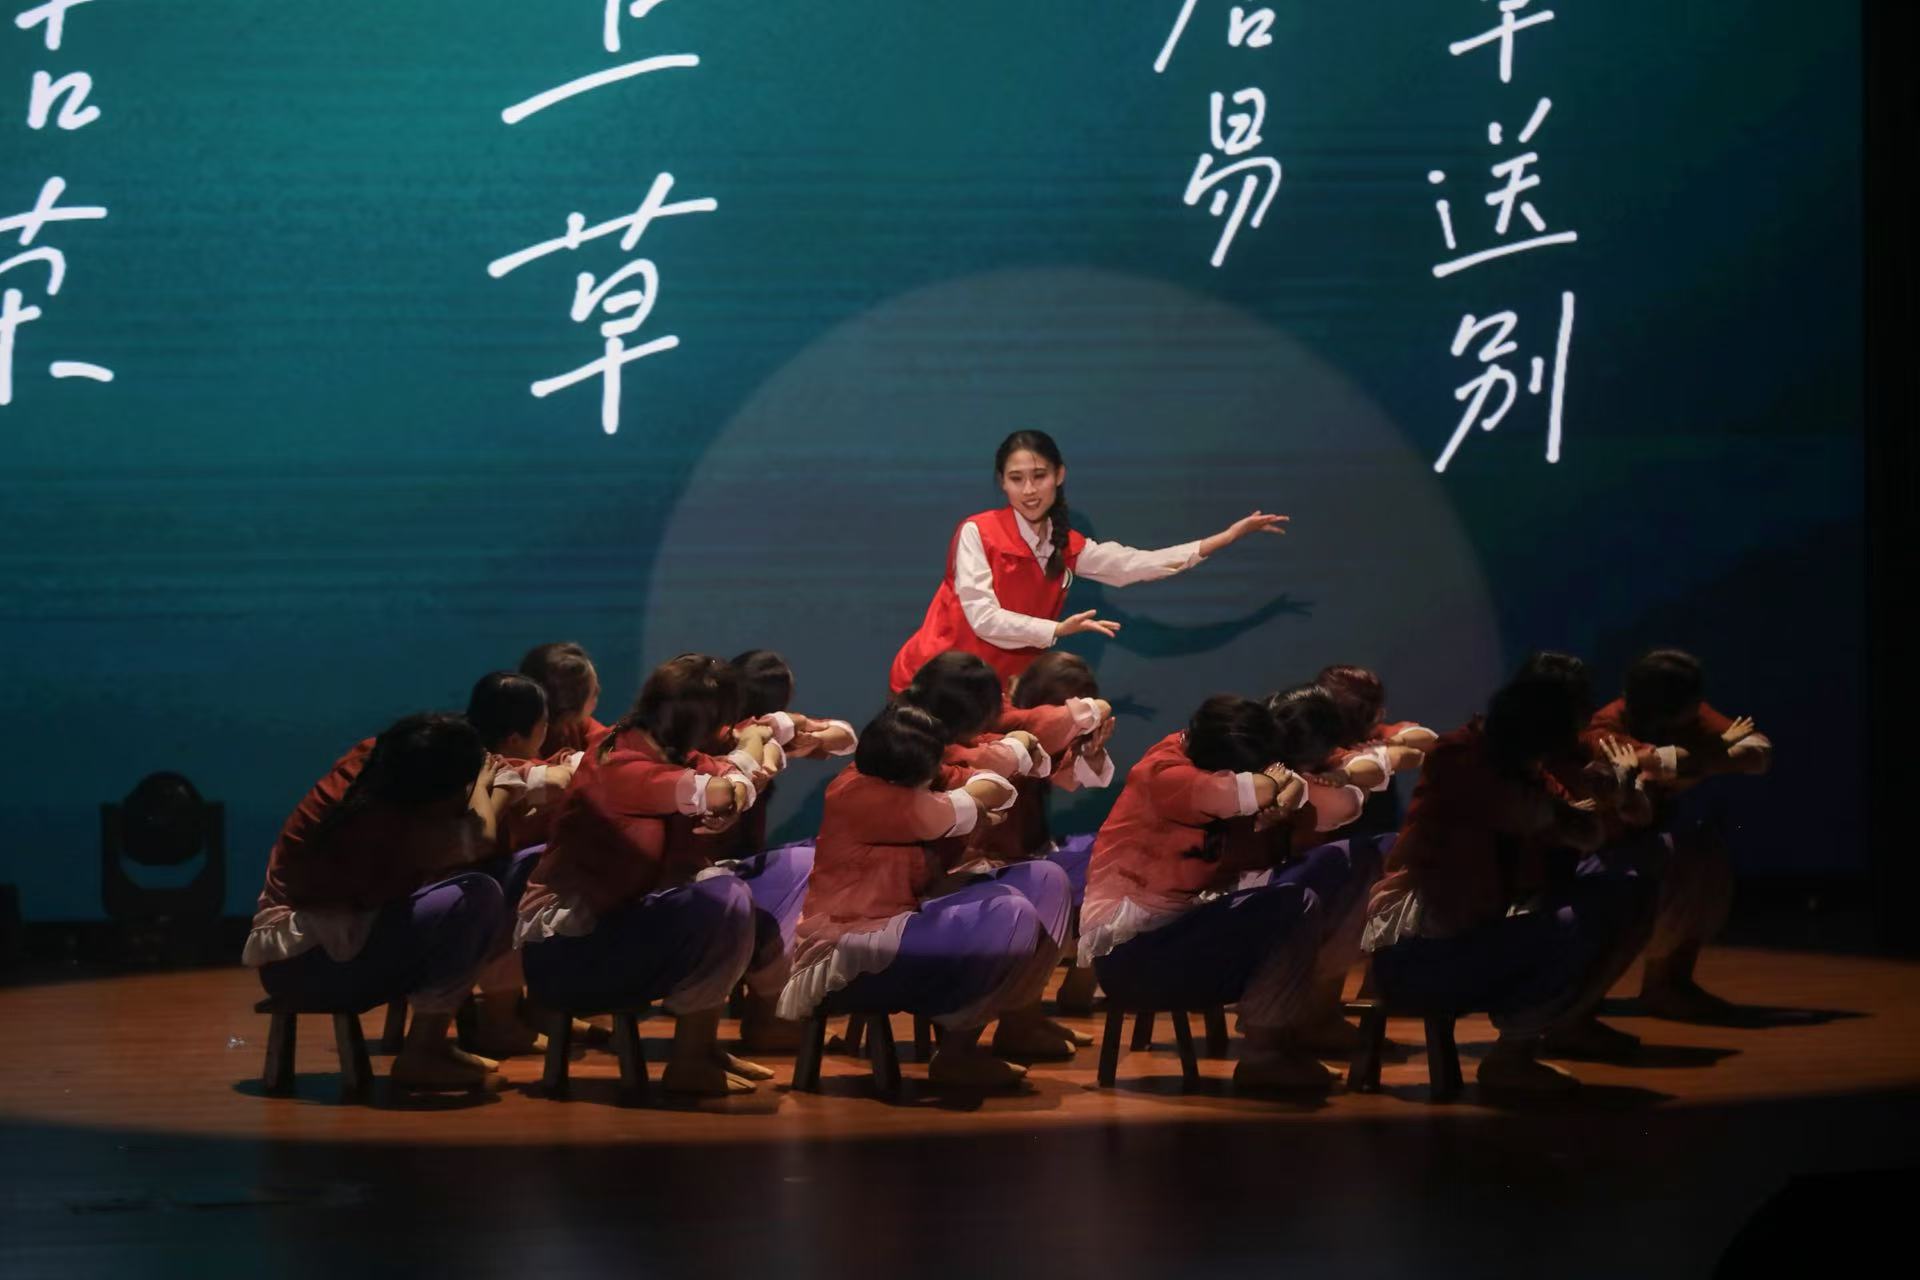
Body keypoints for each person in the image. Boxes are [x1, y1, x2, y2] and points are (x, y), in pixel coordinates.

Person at [778, 703, 1072, 1088]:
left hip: (910, 917)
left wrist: (973, 800)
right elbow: (953, 808)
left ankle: (983, 1037)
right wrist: (973, 802)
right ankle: (958, 1052)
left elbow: (996, 788)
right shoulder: (858, 794)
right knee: (1009, 911)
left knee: (1044, 879)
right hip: (856, 946)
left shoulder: (922, 777)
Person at [887, 429, 1289, 691]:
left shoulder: (1066, 545)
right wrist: (1057, 629)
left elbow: (1137, 565)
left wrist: (1226, 538)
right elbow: (983, 618)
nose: (1029, 490)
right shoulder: (977, 532)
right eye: (1016, 479)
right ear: (1001, 483)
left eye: (1039, 475)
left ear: (1059, 475)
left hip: (992, 693)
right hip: (932, 683)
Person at [1080, 695, 1343, 1090]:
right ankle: (1264, 1056)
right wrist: (1278, 785)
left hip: (1171, 931)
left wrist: (1282, 787)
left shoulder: (1186, 743)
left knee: (1300, 888)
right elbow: (1260, 787)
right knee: (1292, 906)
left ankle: (1277, 1044)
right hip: (1135, 959)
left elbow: (1280, 785)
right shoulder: (1169, 776)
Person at [242, 714, 511, 1089]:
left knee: (478, 886)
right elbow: (481, 836)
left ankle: (441, 1044)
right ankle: (423, 1052)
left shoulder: (377, 764)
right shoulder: (383, 819)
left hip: (304, 957)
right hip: (311, 966)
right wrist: (483, 780)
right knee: (477, 896)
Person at [1585, 648, 1773, 1019]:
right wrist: (1707, 754)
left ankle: (1667, 984)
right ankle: (1578, 999)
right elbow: (1647, 770)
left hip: (1641, 839)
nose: (1701, 710)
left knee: (1701, 850)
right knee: (1674, 854)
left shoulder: (1686, 715)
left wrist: (1683, 760)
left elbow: (1758, 751)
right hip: (1592, 852)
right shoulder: (1604, 729)